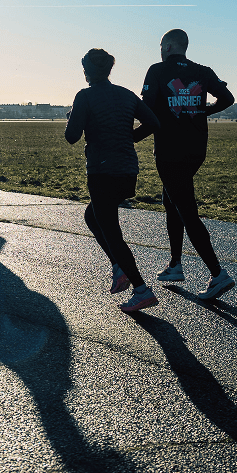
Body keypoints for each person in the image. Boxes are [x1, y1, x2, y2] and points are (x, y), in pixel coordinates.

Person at [137, 29, 236, 300]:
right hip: (196, 149)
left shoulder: (156, 70)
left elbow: (148, 113)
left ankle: (218, 274)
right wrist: (203, 110)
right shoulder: (203, 71)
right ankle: (175, 265)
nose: (159, 50)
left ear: (168, 47)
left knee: (186, 210)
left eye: (160, 45)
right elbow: (228, 99)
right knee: (171, 201)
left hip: (170, 151)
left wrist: (130, 138)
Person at [65, 49, 160, 314]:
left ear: (87, 71)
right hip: (128, 172)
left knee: (112, 233)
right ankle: (119, 268)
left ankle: (141, 290)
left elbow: (72, 136)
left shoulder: (84, 96)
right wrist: (130, 137)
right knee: (92, 216)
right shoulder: (126, 94)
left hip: (101, 172)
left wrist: (73, 117)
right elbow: (154, 122)